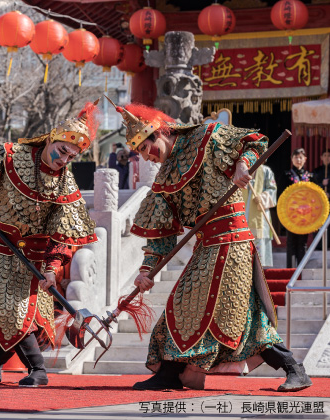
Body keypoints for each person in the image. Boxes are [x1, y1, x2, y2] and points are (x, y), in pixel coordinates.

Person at [108, 101, 312, 392]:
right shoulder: (165, 175)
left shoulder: (207, 135)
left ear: (158, 134)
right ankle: (171, 373)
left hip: (233, 239)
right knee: (196, 307)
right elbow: (162, 233)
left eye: (145, 148)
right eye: (139, 152)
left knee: (211, 309)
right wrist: (146, 271)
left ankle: (292, 367)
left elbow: (252, 142)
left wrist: (243, 165)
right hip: (206, 245)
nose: (146, 158)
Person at [0, 101, 99, 387]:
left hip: (35, 255)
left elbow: (64, 233)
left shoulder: (67, 184)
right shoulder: (13, 154)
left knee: (30, 316)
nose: (63, 160)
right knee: (9, 311)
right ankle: (39, 370)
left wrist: (52, 267)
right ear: (51, 138)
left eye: (70, 157)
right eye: (62, 151)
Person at [279, 148, 312, 268]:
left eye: (300, 157)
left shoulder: (310, 177)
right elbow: (281, 195)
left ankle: (301, 271)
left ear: (305, 159)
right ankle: (290, 271)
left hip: (305, 213)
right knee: (291, 242)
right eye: (296, 157)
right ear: (292, 159)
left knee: (303, 242)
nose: (298, 159)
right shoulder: (286, 175)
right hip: (291, 213)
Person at [242, 165, 277, 267]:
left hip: (260, 212)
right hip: (243, 211)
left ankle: (259, 272)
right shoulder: (241, 170)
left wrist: (262, 198)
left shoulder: (266, 171)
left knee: (258, 249)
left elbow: (272, 190)